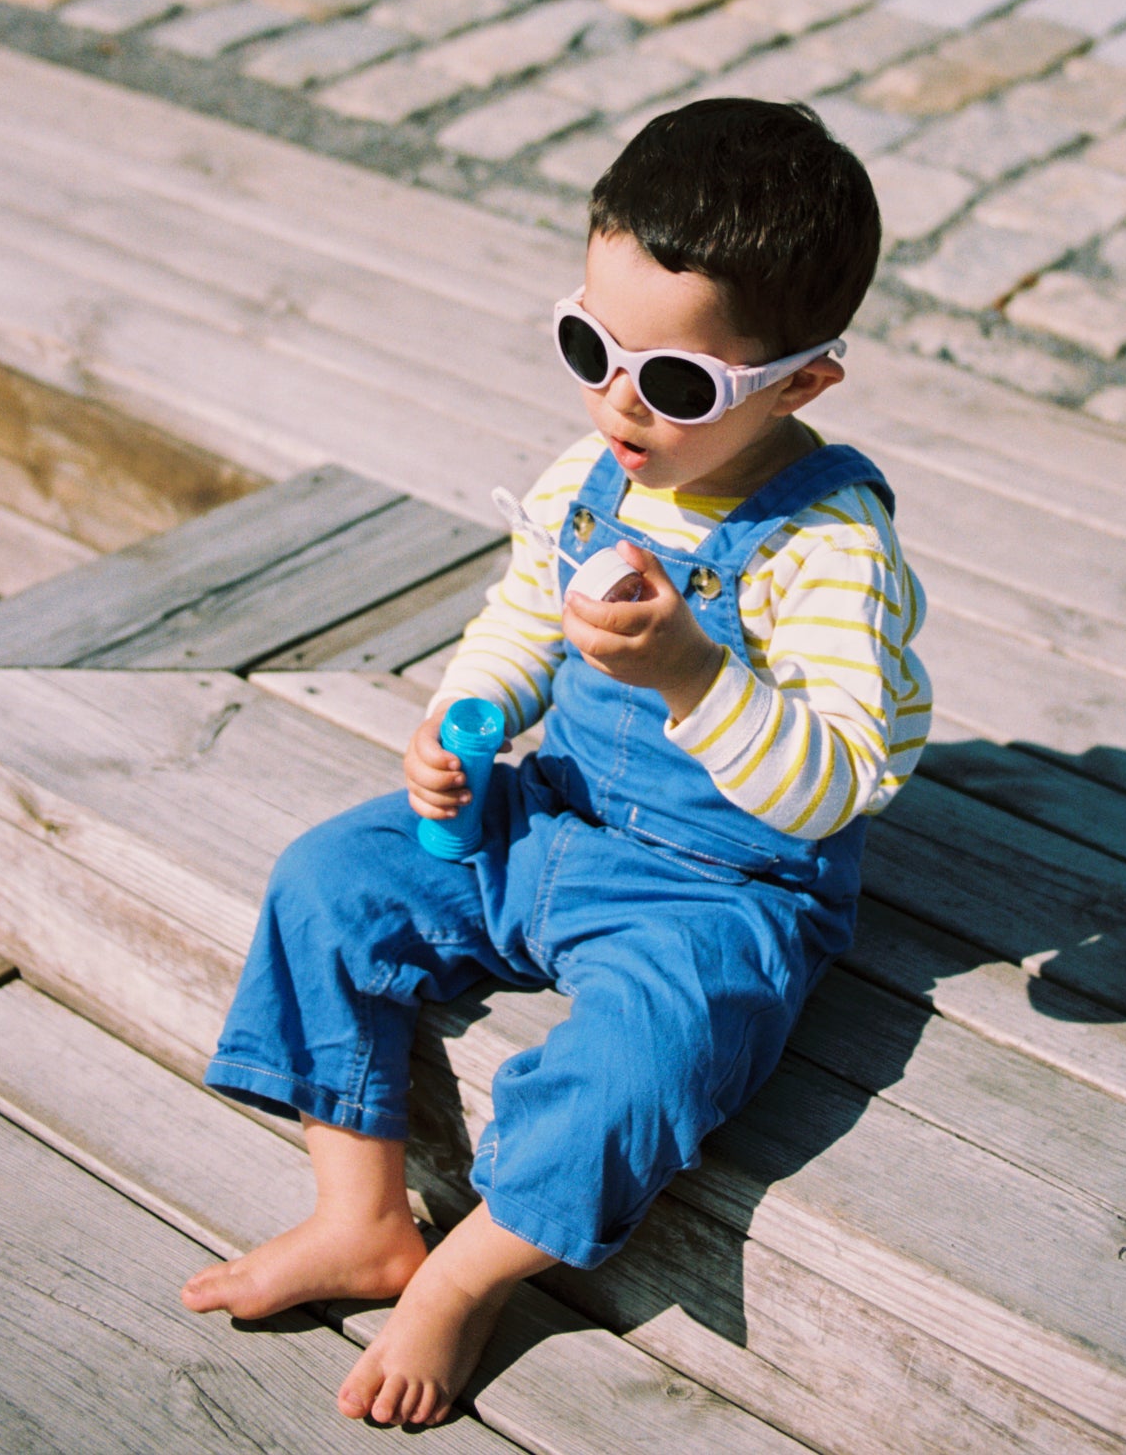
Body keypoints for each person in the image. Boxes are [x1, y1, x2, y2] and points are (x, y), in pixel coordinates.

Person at [180, 97, 932, 1431]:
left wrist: (693, 671)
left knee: (641, 1063)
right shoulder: (597, 469)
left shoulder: (826, 545)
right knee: (327, 880)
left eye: (679, 383)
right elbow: (523, 618)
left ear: (800, 383)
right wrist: (464, 717)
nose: (619, 399)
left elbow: (838, 781)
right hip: (558, 810)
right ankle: (359, 1216)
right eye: (590, 345)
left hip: (724, 886)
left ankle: (464, 1276)